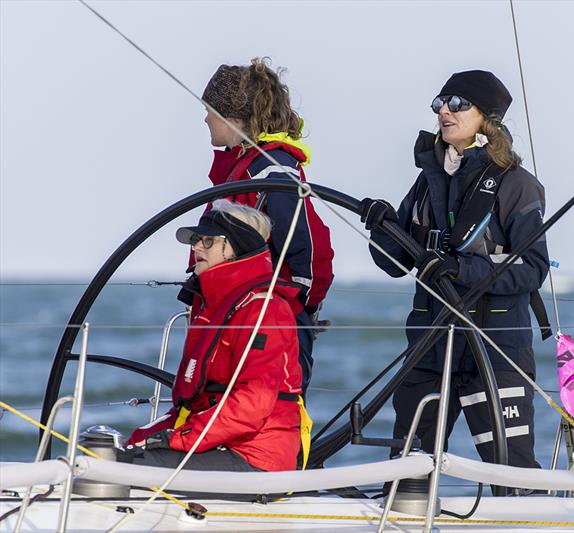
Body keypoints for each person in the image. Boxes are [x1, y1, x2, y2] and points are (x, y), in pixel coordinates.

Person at [361, 70, 550, 477]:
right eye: (440, 103)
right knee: (406, 470)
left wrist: (461, 268)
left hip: (495, 351)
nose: (444, 110)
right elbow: (393, 263)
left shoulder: (517, 186)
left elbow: (532, 269)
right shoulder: (428, 181)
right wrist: (382, 226)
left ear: (487, 117)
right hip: (430, 348)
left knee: (510, 472)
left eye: (458, 103)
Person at [122, 200, 304, 472]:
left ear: (235, 248)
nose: (196, 247)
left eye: (208, 241)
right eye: (196, 240)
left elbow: (253, 403)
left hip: (257, 457)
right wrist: (140, 441)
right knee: (112, 453)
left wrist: (179, 438)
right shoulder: (214, 304)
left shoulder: (264, 310)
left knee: (127, 467)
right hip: (217, 443)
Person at [199, 58, 334, 395]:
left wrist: (299, 303)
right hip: (236, 316)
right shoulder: (240, 169)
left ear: (232, 120)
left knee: (277, 411)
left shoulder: (272, 169)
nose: (204, 119)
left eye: (209, 111)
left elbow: (308, 245)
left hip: (270, 321)